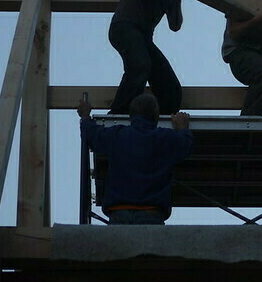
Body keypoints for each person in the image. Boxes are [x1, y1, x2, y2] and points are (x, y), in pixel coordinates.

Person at [78, 93, 193, 225]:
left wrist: (85, 115)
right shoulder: (164, 138)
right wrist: (183, 128)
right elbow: (185, 145)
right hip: (152, 213)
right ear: (156, 115)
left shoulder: (116, 136)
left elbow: (90, 134)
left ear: (131, 115)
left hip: (119, 212)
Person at [108, 0, 190, 115]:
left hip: (144, 36)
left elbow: (175, 25)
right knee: (139, 66)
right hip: (125, 26)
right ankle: (117, 116)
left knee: (171, 89)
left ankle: (158, 123)